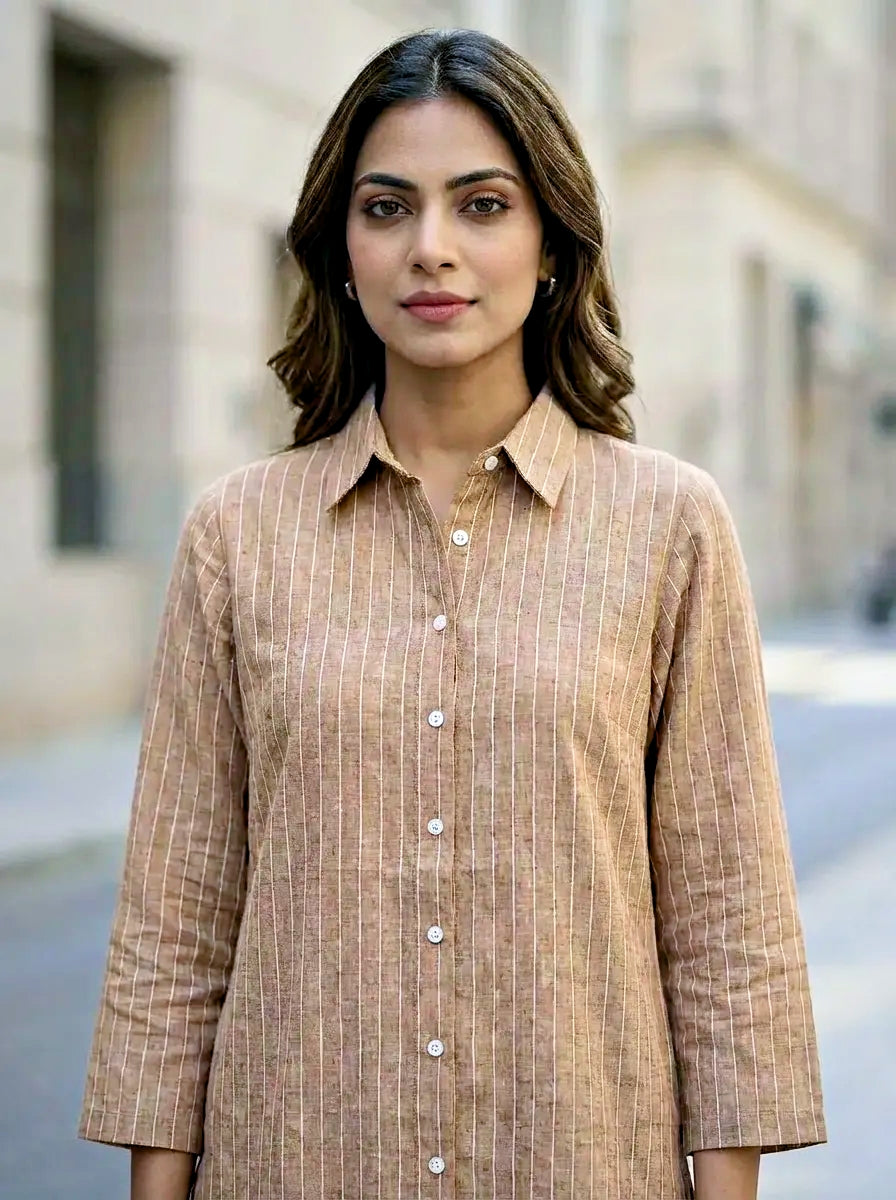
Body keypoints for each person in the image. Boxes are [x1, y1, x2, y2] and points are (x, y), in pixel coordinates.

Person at [79, 27, 826, 1200]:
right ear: (340, 250)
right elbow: (175, 919)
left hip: (581, 1159)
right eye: (387, 208)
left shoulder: (669, 525)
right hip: (298, 1162)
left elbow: (725, 912)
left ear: (550, 248)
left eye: (481, 204)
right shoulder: (236, 535)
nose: (431, 249)